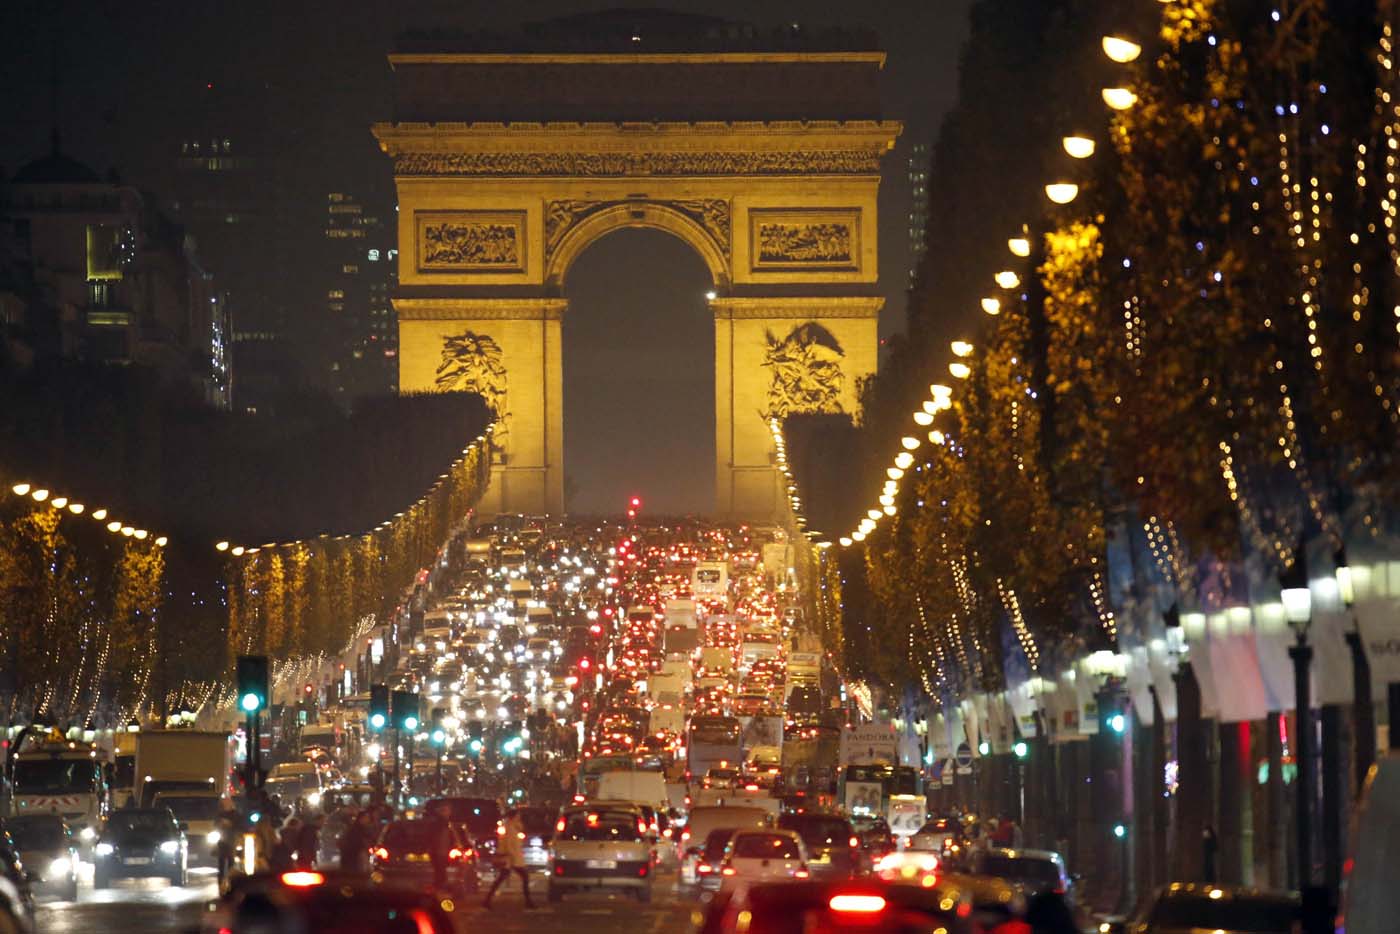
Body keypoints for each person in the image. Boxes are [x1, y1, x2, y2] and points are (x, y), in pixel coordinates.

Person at [484, 809, 535, 909]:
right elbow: (510, 846)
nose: (519, 817)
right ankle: (528, 902)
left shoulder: (513, 827)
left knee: (500, 879)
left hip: (512, 859)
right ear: (514, 817)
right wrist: (513, 859)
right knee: (524, 877)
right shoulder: (510, 828)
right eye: (518, 815)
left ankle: (487, 900)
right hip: (511, 859)